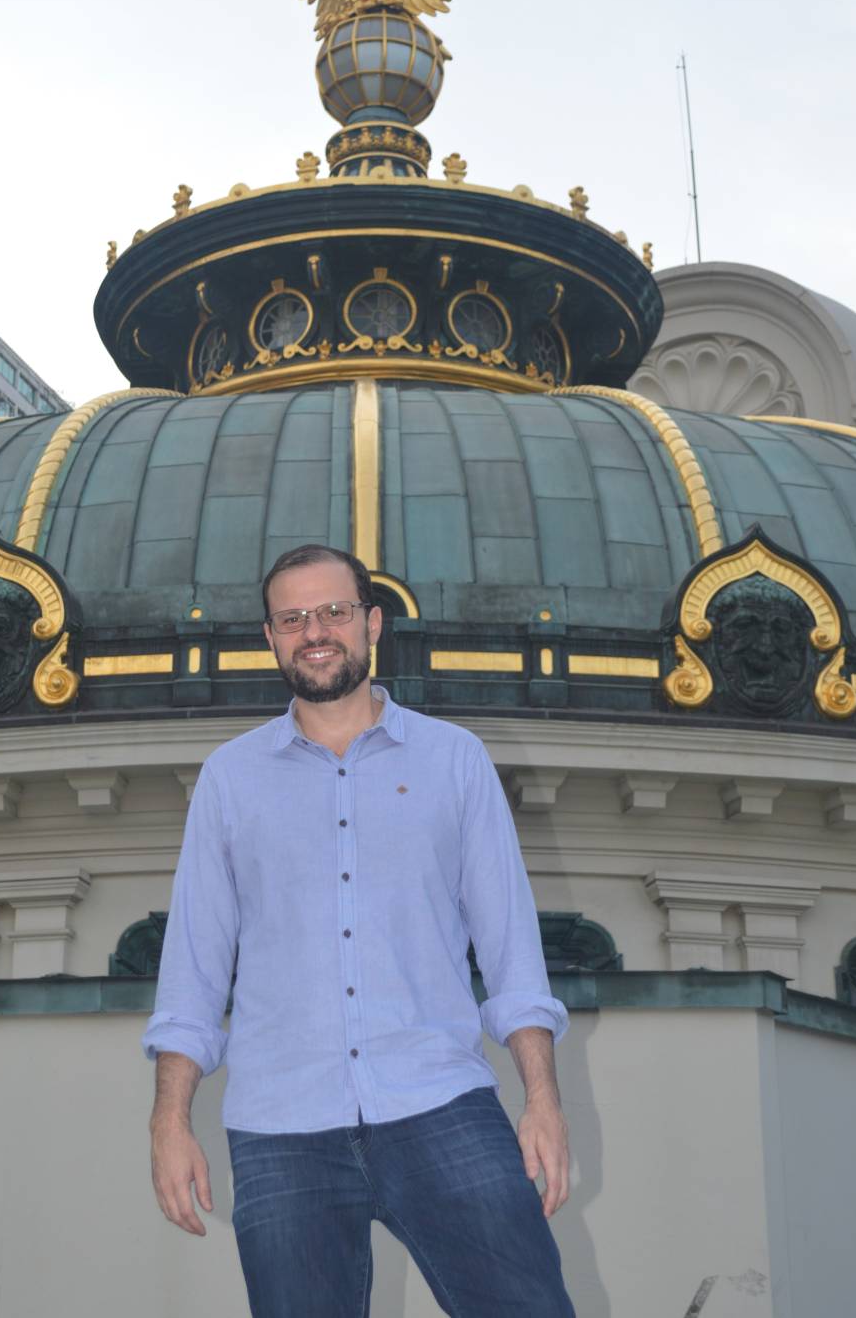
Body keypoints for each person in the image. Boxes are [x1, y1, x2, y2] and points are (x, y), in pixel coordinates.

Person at [144, 543, 575, 1317]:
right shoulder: (230, 780)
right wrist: (169, 1120)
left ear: (371, 622)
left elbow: (512, 950)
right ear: (272, 637)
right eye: (293, 617)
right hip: (281, 1128)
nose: (316, 630)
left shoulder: (455, 761)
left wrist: (542, 1097)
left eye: (334, 611)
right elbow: (194, 970)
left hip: (442, 1102)